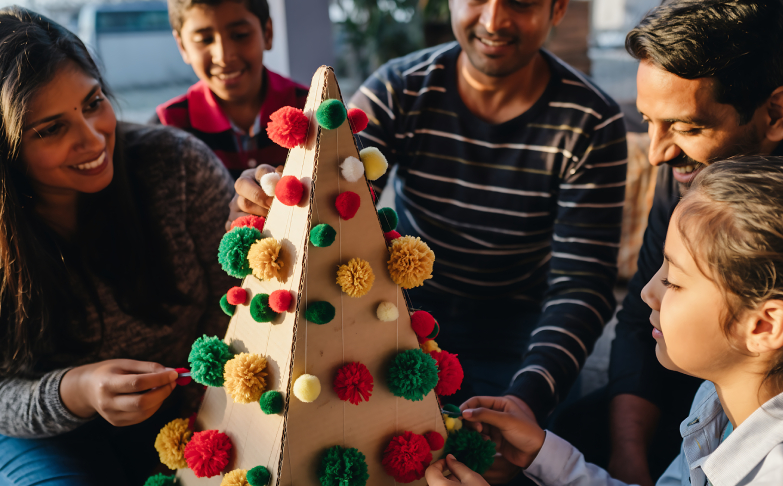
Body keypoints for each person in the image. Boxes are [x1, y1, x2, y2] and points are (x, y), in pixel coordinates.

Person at [231, 5, 627, 482]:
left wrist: (530, 396)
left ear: (558, 8)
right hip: (404, 312)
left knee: (517, 468)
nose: (494, 20)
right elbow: (334, 192)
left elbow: (581, 284)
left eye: (520, 1)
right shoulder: (402, 86)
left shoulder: (591, 119)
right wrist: (278, 200)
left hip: (524, 325)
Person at [551, 2, 783, 484]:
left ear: (775, 112)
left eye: (688, 127)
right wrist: (631, 457)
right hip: (701, 395)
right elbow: (635, 319)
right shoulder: (689, 170)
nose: (655, 153)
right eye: (648, 120)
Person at [426, 157, 783, 486]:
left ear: (764, 326)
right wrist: (543, 451)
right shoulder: (721, 397)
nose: (648, 291)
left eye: (674, 281)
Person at [0, 7, 235, 485]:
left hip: (200, 407)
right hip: (48, 437)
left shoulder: (179, 166)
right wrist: (78, 389)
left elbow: (237, 305)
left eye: (92, 102)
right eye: (50, 129)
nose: (92, 138)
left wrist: (190, 431)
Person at [153, 0, 308, 180]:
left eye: (240, 35)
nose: (224, 57)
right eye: (205, 40)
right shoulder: (168, 127)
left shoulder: (311, 110)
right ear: (183, 46)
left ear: (267, 33)